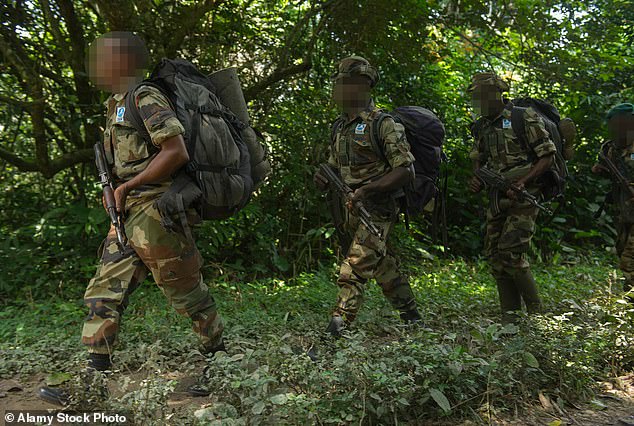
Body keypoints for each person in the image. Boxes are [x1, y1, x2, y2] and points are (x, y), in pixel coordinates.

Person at [38, 32, 224, 405]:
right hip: (126, 215)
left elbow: (176, 151)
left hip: (157, 211)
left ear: (124, 61)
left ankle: (223, 364)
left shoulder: (144, 96)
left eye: (104, 58)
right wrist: (118, 191)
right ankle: (91, 380)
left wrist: (128, 186)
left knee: (187, 294)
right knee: (102, 293)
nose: (96, 66)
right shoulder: (115, 104)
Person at [314, 56, 422, 337]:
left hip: (378, 207)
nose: (337, 90)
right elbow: (335, 166)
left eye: (344, 84)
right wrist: (325, 178)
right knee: (383, 265)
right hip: (350, 208)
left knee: (354, 269)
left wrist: (368, 190)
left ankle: (335, 332)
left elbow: (406, 170)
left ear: (362, 86)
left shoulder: (384, 124)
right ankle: (412, 316)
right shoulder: (340, 127)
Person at [468, 72, 556, 323]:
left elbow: (547, 156)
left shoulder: (522, 117)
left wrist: (522, 182)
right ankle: (510, 317)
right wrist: (477, 179)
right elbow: (479, 160)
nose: (480, 102)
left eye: (483, 96)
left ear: (497, 94)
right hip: (497, 196)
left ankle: (537, 314)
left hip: (525, 195)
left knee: (511, 252)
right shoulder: (482, 126)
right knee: (494, 255)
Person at [592, 103, 634, 301]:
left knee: (629, 260)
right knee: (622, 248)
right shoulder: (610, 148)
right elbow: (603, 167)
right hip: (623, 210)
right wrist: (600, 170)